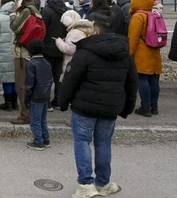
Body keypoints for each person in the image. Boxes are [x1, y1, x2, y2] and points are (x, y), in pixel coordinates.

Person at [59, 17, 138, 198]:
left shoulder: (85, 52)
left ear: (96, 31)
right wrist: (127, 108)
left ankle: (86, 184)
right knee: (103, 143)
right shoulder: (124, 54)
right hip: (110, 108)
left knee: (82, 141)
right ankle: (103, 183)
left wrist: (63, 102)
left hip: (84, 107)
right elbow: (132, 83)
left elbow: (70, 80)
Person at [127, 0, 163, 117]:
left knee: (142, 79)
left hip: (142, 53)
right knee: (154, 79)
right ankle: (154, 106)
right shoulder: (155, 14)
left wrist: (128, 54)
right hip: (155, 51)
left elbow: (133, 38)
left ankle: (145, 107)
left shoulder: (138, 16)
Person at [10, 0, 40, 125]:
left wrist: (13, 13)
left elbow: (15, 27)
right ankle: (31, 113)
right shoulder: (35, 9)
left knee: (21, 86)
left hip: (22, 53)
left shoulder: (27, 10)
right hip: (30, 51)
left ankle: (25, 115)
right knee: (29, 85)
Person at [23, 39, 52, 150]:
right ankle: (46, 139)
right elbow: (49, 80)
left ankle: (38, 141)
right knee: (42, 119)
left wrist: (26, 97)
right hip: (45, 95)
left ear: (30, 51)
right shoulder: (46, 63)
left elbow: (29, 83)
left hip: (35, 96)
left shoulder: (31, 64)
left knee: (35, 120)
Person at [41, 0, 67, 109]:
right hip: (62, 47)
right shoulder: (66, 10)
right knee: (59, 76)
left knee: (46, 77)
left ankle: (46, 103)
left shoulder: (47, 11)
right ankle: (58, 101)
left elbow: (42, 28)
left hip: (48, 47)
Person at [0, 1, 17, 111]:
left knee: (5, 77)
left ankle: (8, 103)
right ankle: (15, 102)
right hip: (15, 49)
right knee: (14, 76)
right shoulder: (17, 16)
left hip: (2, 50)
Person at [55, 11, 92, 82]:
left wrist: (59, 41)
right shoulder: (84, 29)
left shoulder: (74, 32)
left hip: (72, 64)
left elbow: (69, 49)